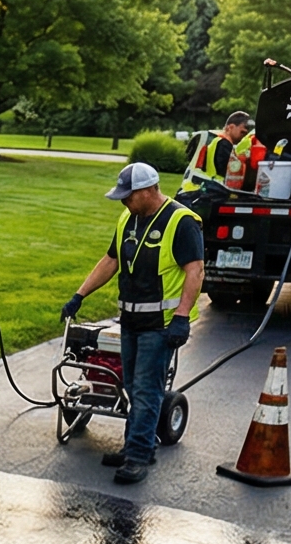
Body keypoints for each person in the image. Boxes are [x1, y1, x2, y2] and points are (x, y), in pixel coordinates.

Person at [59, 161, 201, 483]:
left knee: (148, 391)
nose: (124, 201)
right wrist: (79, 295)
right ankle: (142, 444)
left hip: (161, 324)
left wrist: (181, 318)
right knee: (132, 385)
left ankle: (137, 456)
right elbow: (111, 260)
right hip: (131, 320)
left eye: (129, 196)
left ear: (149, 190)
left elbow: (196, 270)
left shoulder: (181, 221)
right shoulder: (128, 218)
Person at [185, 110, 254, 193]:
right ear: (230, 127)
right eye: (242, 132)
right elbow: (227, 170)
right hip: (217, 189)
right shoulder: (224, 144)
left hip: (208, 187)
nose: (244, 136)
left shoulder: (217, 141)